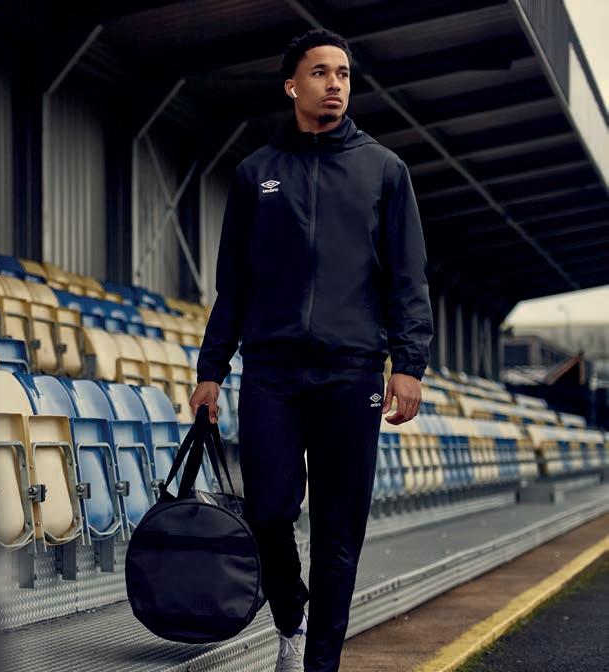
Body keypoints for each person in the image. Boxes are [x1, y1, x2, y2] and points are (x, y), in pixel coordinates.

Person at [189, 29, 434, 672]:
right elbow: (234, 286)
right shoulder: (255, 173)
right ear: (291, 85)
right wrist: (211, 369)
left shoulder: (385, 171)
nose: (335, 84)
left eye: (344, 74)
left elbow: (408, 278)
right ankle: (289, 616)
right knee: (268, 511)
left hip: (354, 373)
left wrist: (408, 365)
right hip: (271, 371)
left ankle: (318, 662)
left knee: (337, 531)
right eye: (321, 72)